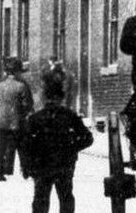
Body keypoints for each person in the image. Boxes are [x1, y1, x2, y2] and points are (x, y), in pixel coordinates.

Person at [21, 74, 94, 213]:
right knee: (65, 197)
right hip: (64, 164)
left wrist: (26, 166)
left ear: (45, 98)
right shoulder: (69, 116)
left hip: (42, 165)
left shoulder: (36, 118)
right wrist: (72, 148)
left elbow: (25, 144)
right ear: (61, 98)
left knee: (41, 199)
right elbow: (87, 138)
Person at [0, 57, 34, 181]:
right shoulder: (22, 86)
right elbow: (28, 104)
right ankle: (26, 171)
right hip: (16, 122)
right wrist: (22, 113)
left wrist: (1, 109)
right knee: (22, 146)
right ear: (17, 72)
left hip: (0, 122)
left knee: (1, 148)